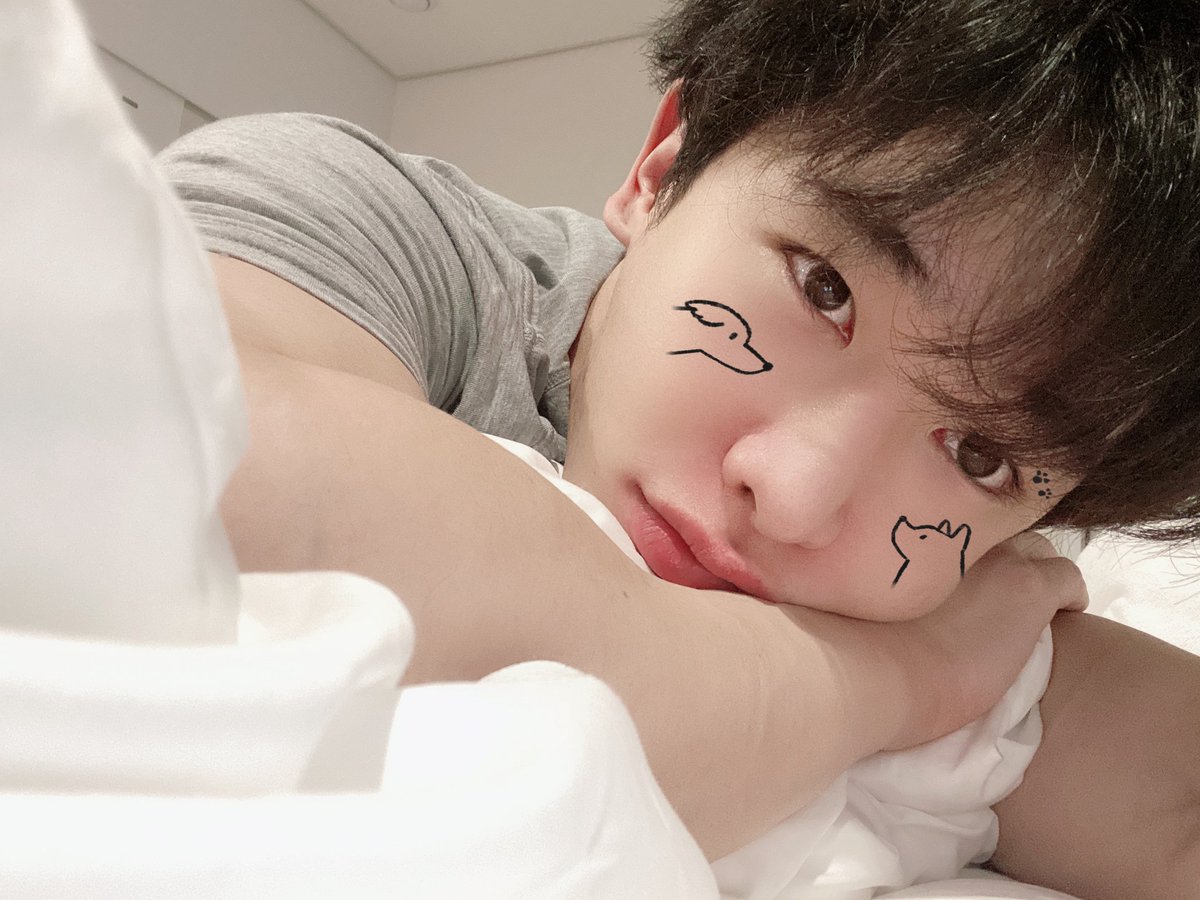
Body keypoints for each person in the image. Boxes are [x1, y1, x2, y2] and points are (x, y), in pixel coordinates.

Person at [158, 0, 1200, 896]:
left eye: (979, 455)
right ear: (660, 173)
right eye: (822, 288)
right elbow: (197, 516)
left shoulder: (968, 585)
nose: (794, 497)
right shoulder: (349, 220)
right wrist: (909, 676)